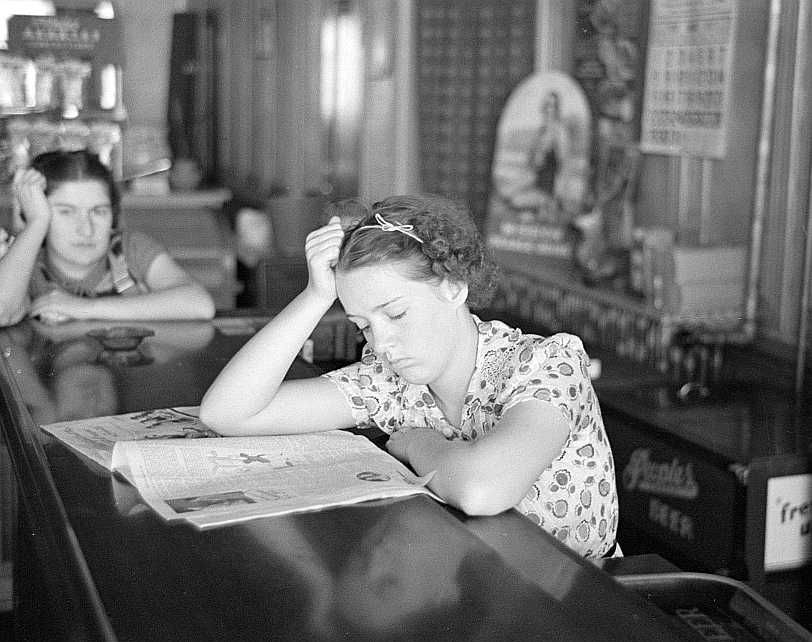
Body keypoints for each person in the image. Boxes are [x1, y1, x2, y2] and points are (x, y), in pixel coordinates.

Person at [200, 194, 618, 558]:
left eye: (396, 314)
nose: (381, 344)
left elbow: (481, 489)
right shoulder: (393, 384)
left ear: (454, 287)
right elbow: (229, 413)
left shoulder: (548, 364)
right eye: (363, 325)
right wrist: (316, 296)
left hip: (581, 602)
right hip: (480, 592)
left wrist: (422, 443)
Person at [0, 149, 215, 326]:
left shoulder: (128, 249)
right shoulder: (24, 261)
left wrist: (83, 308)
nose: (86, 229)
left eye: (98, 211)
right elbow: (3, 311)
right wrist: (36, 222)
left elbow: (200, 304)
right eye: (66, 212)